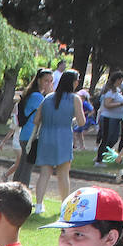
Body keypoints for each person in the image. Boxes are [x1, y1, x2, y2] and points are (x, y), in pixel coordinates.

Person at [33, 70, 86, 216]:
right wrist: (70, 120)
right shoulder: (75, 98)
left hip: (46, 136)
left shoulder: (48, 97)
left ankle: (38, 205)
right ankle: (65, 205)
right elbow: (82, 121)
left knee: (44, 173)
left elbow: (36, 120)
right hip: (63, 137)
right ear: (73, 82)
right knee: (63, 174)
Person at [13, 69, 55, 190]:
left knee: (22, 165)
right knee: (27, 167)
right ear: (39, 80)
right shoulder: (38, 97)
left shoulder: (32, 94)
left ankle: (15, 191)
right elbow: (48, 112)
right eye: (46, 81)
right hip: (30, 136)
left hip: (25, 135)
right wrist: (50, 94)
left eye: (51, 81)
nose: (49, 84)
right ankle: (22, 193)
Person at [96, 75, 123, 164]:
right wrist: (121, 104)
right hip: (108, 118)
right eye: (121, 80)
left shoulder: (116, 91)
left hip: (116, 118)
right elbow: (107, 104)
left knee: (114, 139)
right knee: (106, 138)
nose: (122, 82)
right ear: (118, 80)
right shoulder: (110, 91)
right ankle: (99, 160)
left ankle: (101, 155)